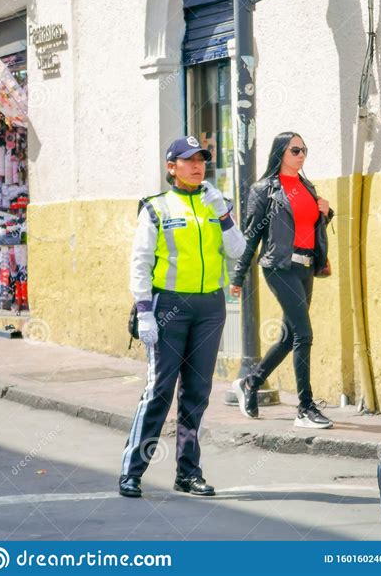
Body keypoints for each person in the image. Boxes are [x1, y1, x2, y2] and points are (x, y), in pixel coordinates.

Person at [119, 135, 246, 498]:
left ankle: (188, 473)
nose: (197, 166)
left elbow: (238, 252)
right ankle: (132, 471)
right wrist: (144, 311)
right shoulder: (156, 207)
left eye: (202, 160)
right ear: (171, 168)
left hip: (210, 307)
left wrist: (223, 214)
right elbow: (140, 262)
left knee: (196, 394)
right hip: (169, 307)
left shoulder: (216, 204)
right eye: (188, 160)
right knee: (159, 390)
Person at [230, 132, 334, 429]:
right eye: (295, 150)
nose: (301, 156)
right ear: (280, 154)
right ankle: (305, 407)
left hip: (305, 267)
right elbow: (251, 236)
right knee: (304, 334)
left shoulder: (306, 186)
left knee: (289, 337)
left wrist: (326, 213)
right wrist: (238, 276)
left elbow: (310, 226)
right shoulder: (264, 189)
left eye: (304, 150)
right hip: (278, 267)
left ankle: (251, 382)